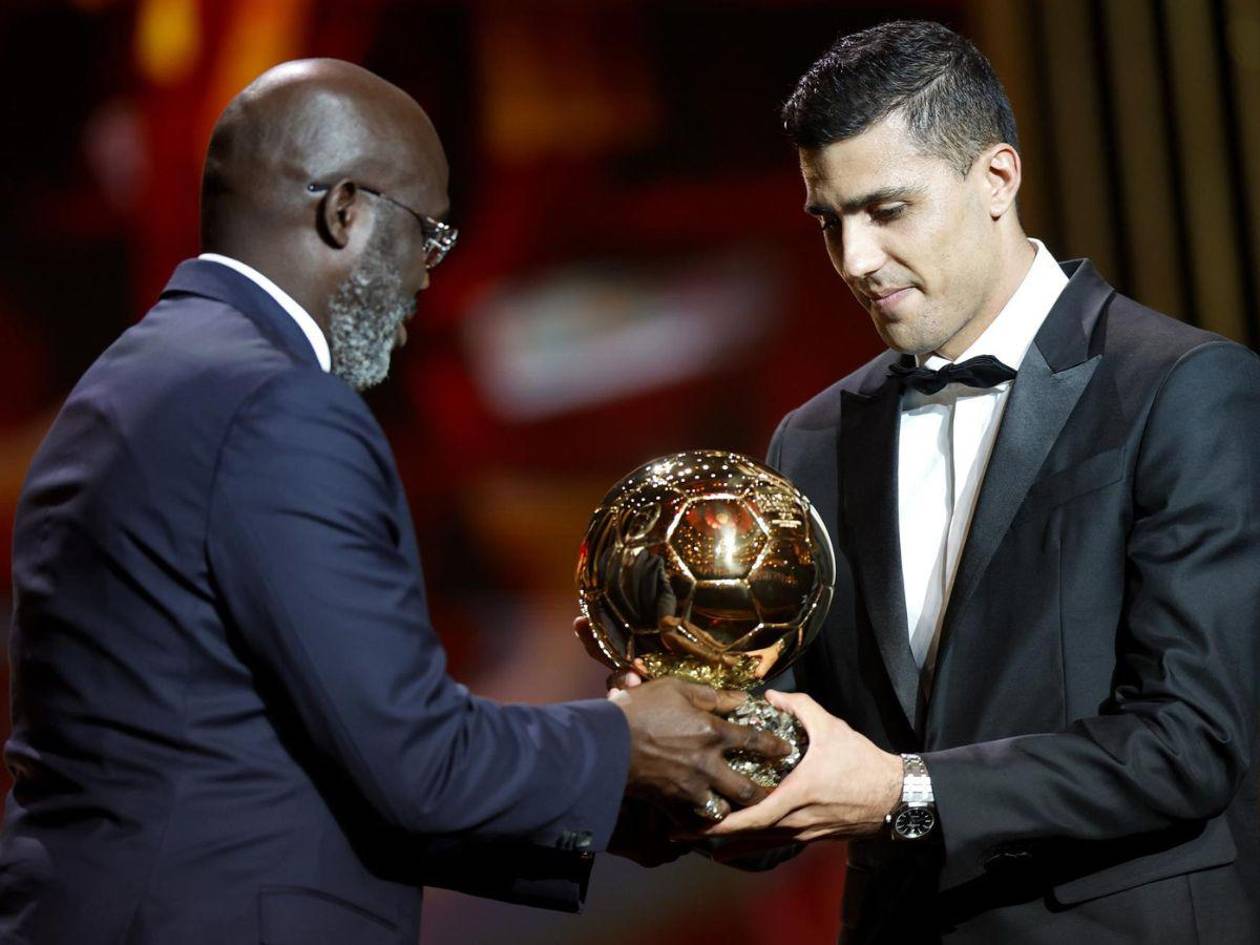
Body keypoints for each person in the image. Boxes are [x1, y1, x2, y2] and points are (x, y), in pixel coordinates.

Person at [0, 59, 786, 945]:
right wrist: (627, 742)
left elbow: (293, 761)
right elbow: (415, 761)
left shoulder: (138, 375)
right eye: (427, 235)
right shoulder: (278, 405)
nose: (426, 277)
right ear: (345, 213)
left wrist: (623, 811)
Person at [696, 19, 1260, 944]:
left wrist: (905, 791)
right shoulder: (813, 440)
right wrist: (695, 740)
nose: (855, 259)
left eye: (887, 210)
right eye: (830, 221)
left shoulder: (1183, 388)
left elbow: (1190, 741)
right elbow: (797, 760)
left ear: (998, 177)